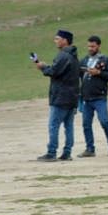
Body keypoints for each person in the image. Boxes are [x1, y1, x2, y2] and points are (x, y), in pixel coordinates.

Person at [35, 29, 80, 161]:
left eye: (57, 38)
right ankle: (67, 152)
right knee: (69, 126)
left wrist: (42, 67)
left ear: (65, 40)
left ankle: (51, 152)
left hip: (61, 97)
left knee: (54, 125)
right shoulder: (73, 55)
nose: (55, 41)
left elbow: (54, 72)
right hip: (72, 97)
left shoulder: (63, 55)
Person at [77, 35, 108, 157]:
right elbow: (78, 76)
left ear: (99, 46)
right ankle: (90, 149)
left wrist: (99, 72)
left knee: (104, 121)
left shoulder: (106, 60)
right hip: (86, 98)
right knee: (86, 124)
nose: (90, 48)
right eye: (89, 46)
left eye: (93, 46)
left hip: (100, 97)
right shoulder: (83, 61)